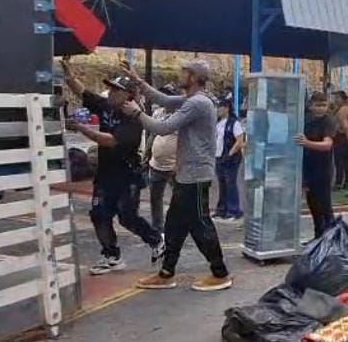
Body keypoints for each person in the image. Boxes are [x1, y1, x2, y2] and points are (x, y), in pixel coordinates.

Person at [120, 60, 231, 292]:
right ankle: (166, 273)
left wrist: (137, 113)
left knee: (201, 224)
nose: (180, 76)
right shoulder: (193, 100)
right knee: (174, 225)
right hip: (186, 175)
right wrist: (138, 81)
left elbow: (163, 128)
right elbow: (164, 100)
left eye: (184, 73)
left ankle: (220, 274)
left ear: (194, 77)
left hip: (196, 176)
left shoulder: (198, 103)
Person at [61, 58, 164, 276]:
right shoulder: (106, 106)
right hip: (105, 175)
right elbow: (83, 93)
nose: (112, 92)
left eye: (117, 90)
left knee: (127, 217)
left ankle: (156, 240)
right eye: (111, 89)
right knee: (99, 214)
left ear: (129, 95)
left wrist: (81, 127)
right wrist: (69, 76)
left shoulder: (134, 119)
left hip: (127, 176)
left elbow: (109, 140)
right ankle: (111, 256)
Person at [295, 92, 337, 239]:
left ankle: (332, 237)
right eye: (318, 105)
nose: (321, 108)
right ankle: (318, 236)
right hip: (308, 168)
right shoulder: (305, 119)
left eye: (324, 105)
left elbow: (327, 145)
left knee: (325, 205)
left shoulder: (328, 121)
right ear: (310, 105)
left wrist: (307, 143)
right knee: (313, 204)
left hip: (323, 169)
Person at [144, 84, 180, 232]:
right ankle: (157, 226)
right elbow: (152, 134)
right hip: (156, 164)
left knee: (178, 199)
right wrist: (146, 152)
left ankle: (176, 226)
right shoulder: (158, 113)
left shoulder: (180, 116)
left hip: (174, 166)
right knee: (155, 197)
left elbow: (185, 141)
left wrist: (179, 163)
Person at [214, 99, 245, 222]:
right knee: (222, 184)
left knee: (230, 183)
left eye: (220, 107)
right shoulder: (218, 123)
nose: (218, 110)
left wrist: (230, 154)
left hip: (231, 158)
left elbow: (239, 141)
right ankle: (222, 209)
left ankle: (233, 210)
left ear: (227, 108)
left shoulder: (234, 123)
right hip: (218, 156)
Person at [332, 91, 348, 189]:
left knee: (339, 161)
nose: (335, 100)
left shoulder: (342, 111)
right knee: (345, 160)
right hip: (342, 136)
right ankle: (347, 182)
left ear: (343, 99)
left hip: (340, 137)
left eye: (338, 98)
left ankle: (339, 182)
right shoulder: (346, 109)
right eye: (335, 98)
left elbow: (345, 127)